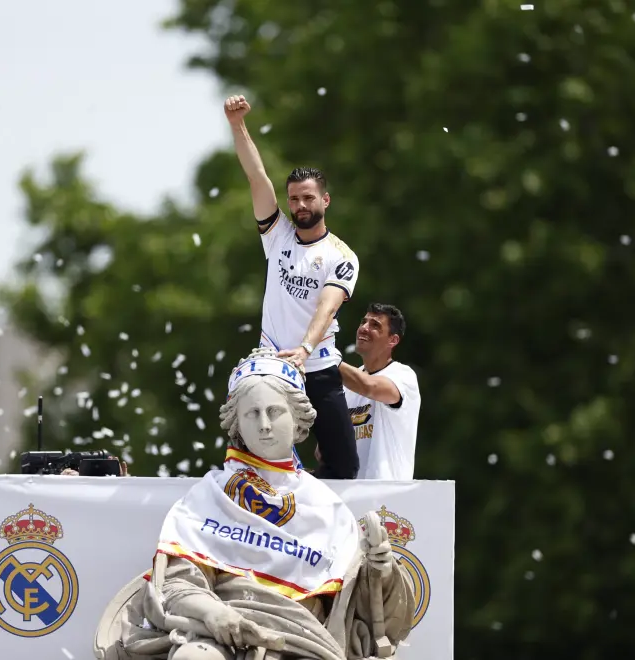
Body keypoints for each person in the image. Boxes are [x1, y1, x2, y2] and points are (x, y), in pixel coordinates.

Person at [93, 351, 415, 660]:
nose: (264, 424)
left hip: (302, 641)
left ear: (299, 418)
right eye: (252, 413)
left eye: (275, 411)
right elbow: (177, 584)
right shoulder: (211, 495)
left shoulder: (328, 507)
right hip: (219, 632)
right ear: (237, 424)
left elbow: (363, 612)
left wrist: (381, 572)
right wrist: (214, 613)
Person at [223, 94, 360, 480]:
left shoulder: (340, 255)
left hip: (315, 366)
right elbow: (256, 177)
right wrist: (237, 125)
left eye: (308, 198)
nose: (300, 205)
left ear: (325, 200)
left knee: (343, 466)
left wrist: (304, 349)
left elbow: (327, 308)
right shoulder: (278, 235)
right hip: (269, 366)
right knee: (250, 458)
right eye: (294, 199)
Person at [338, 303, 420, 480]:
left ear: (393, 340)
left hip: (387, 496)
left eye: (375, 325)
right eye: (363, 322)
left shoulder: (403, 375)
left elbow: (370, 387)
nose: (364, 328)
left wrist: (324, 357)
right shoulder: (348, 384)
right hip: (349, 492)